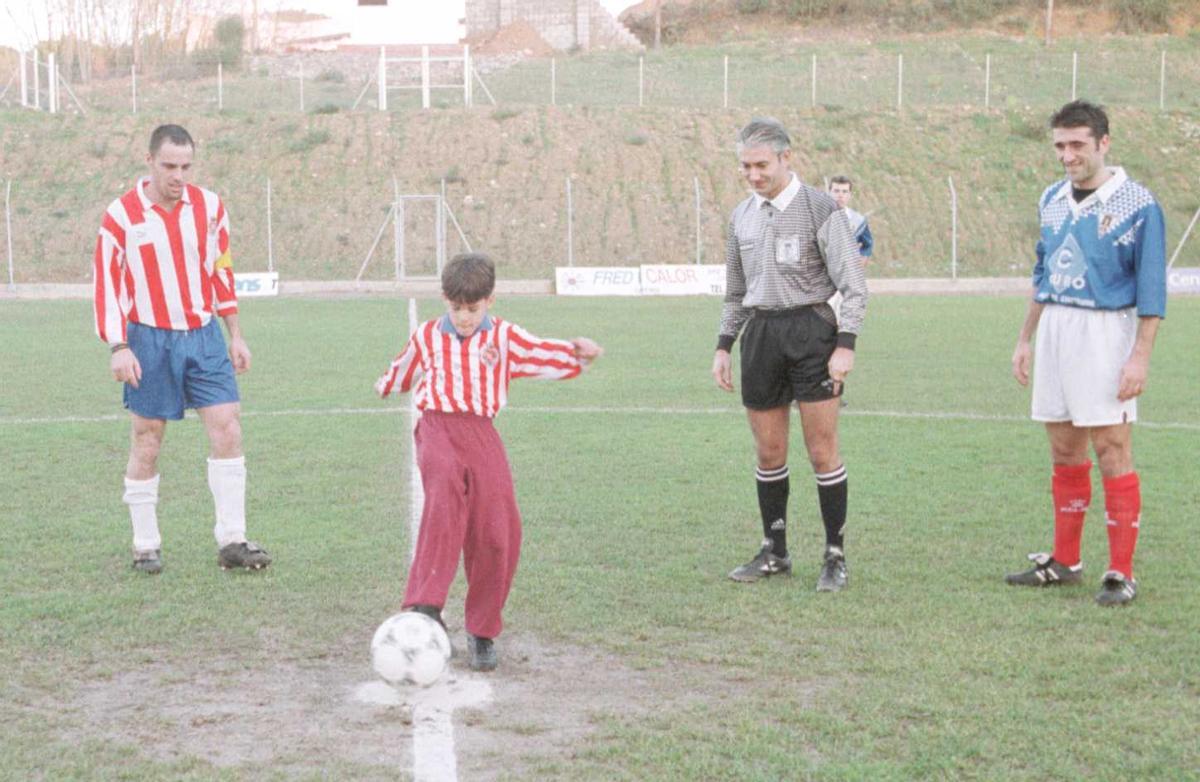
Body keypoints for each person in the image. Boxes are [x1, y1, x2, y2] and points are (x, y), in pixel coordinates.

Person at [375, 253, 603, 671]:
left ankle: (482, 630)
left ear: (490, 302)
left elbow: (538, 353)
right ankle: (425, 607)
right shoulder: (428, 336)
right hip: (438, 427)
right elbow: (404, 368)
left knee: (499, 528)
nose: (463, 317)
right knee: (444, 499)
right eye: (456, 308)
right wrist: (386, 384)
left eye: (472, 309)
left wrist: (576, 353)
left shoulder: (504, 339)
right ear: (446, 301)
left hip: (481, 433)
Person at [1007, 100, 1166, 606]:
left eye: (1077, 144)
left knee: (1112, 447)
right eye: (1060, 145)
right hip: (1056, 325)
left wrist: (1139, 357)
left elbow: (1153, 291)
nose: (1067, 155)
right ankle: (1066, 562)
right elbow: (1043, 273)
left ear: (1103, 143)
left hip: (1105, 331)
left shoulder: (1138, 204)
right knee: (1063, 448)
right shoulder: (1051, 198)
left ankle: (1120, 572)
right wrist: (1026, 337)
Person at [94, 124, 270, 575]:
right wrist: (118, 346)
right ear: (150, 160)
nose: (179, 175)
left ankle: (232, 540)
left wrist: (235, 333)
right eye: (170, 166)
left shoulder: (209, 207)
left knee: (227, 427)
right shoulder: (121, 215)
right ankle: (145, 544)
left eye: (186, 166)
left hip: (203, 334)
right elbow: (107, 287)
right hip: (149, 339)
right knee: (148, 439)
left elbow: (221, 270)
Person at [711, 118, 867, 592]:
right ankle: (775, 552)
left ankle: (834, 556)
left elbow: (854, 288)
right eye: (745, 166)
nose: (753, 175)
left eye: (762, 165)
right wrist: (724, 345)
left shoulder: (821, 209)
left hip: (812, 333)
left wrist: (845, 344)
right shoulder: (741, 215)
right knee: (769, 451)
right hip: (761, 335)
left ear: (786, 158)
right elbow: (736, 292)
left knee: (822, 451)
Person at [828, 175, 873, 261]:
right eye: (836, 191)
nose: (840, 195)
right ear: (829, 192)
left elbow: (867, 245)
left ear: (850, 195)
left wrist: (860, 262)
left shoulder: (858, 220)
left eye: (844, 191)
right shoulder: (817, 217)